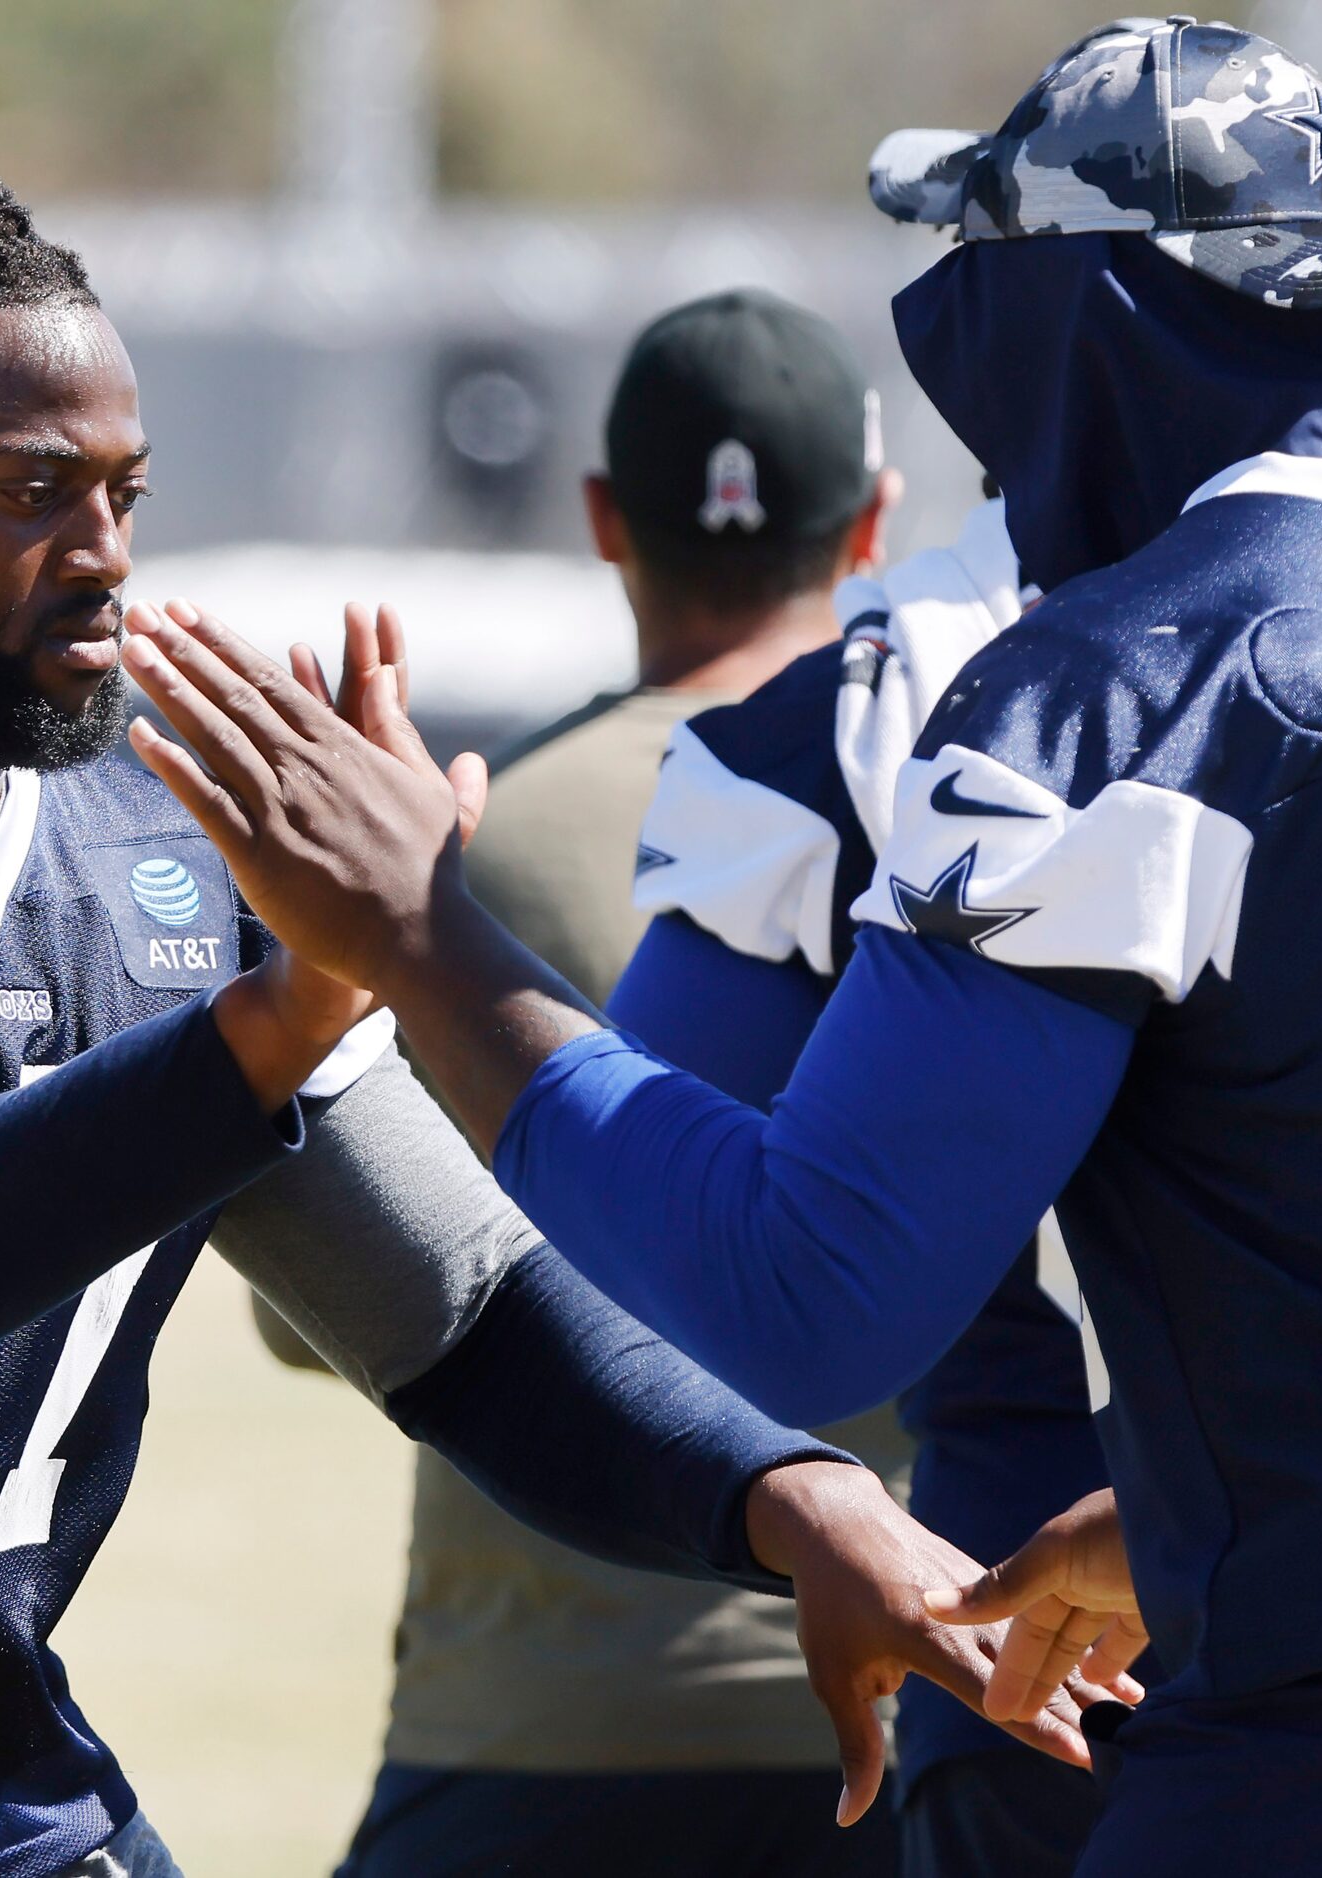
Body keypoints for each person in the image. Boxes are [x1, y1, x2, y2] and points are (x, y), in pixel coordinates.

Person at [0, 51, 1090, 1878]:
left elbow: (469, 1318)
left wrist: (793, 1505)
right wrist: (275, 1020)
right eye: (31, 492)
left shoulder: (164, 871)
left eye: (124, 490)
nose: (104, 560)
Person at [115, 17, 1322, 1871]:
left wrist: (419, 931)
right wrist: (1212, 1503)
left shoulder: (1119, 694)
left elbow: (805, 1295)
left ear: (1082, 324)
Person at [318, 292, 910, 1878]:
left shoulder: (461, 843)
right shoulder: (968, 835)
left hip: (527, 1721)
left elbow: (327, 1286)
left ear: (598, 517)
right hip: (907, 1695)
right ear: (873, 524)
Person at [625, 491, 1123, 1876]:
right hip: (1064, 1639)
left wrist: (426, 948)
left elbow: (727, 1282)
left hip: (1033, 1642)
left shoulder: (901, 683)